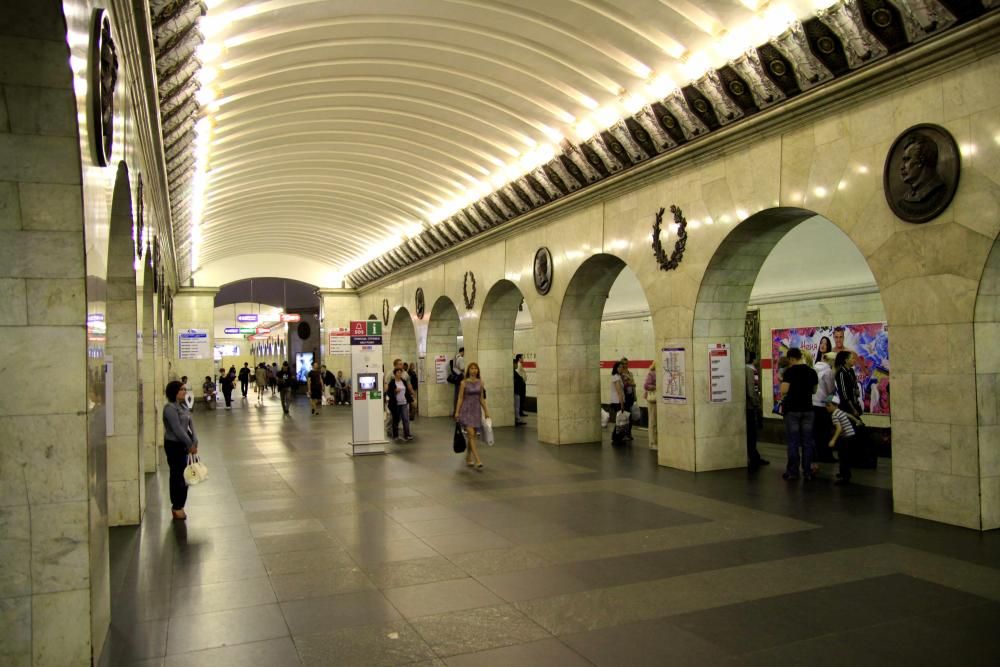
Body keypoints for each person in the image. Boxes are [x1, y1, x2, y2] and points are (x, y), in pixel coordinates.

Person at [780, 348, 818, 481]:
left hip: (793, 411)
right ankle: (807, 472)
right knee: (807, 442)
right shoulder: (812, 372)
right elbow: (814, 390)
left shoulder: (789, 372)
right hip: (808, 410)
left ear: (791, 358)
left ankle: (793, 472)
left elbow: (784, 390)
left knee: (793, 442)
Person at [162, 380, 198, 520]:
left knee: (186, 475)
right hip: (174, 445)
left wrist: (194, 440)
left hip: (184, 443)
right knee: (177, 476)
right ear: (174, 392)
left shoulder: (183, 406)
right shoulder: (169, 408)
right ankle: (176, 505)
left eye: (185, 389)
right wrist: (189, 444)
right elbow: (177, 429)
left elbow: (190, 424)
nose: (184, 391)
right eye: (181, 389)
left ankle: (181, 504)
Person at [455, 362, 489, 468]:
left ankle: (468, 457)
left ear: (478, 370)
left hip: (476, 411)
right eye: (471, 368)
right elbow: (460, 398)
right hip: (466, 410)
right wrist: (457, 411)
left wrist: (486, 411)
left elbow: (481, 398)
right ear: (468, 370)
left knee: (472, 435)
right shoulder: (463, 383)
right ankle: (478, 459)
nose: (474, 370)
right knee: (470, 433)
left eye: (475, 368)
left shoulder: (481, 382)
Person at [825, 395, 857, 485]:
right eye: (826, 405)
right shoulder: (839, 411)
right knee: (843, 455)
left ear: (835, 405)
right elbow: (849, 415)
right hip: (851, 436)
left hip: (846, 437)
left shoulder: (834, 415)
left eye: (828, 405)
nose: (826, 407)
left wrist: (833, 440)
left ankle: (845, 477)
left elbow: (839, 429)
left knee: (843, 457)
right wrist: (857, 421)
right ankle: (843, 473)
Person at [812, 351, 837, 465]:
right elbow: (830, 389)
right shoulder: (828, 372)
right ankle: (826, 455)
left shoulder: (814, 367)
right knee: (825, 431)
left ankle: (815, 454)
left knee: (815, 432)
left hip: (813, 403)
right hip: (823, 404)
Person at [744, 353, 768, 467]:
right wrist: (756, 404)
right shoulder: (749, 370)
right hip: (750, 407)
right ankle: (754, 457)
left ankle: (753, 455)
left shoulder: (746, 369)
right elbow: (751, 390)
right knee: (752, 433)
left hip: (747, 406)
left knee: (751, 433)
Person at [386, 367, 414, 441]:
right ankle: (396, 435)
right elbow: (388, 393)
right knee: (396, 419)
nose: (400, 373)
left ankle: (407, 434)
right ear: (395, 374)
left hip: (404, 403)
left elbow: (407, 392)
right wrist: (395, 391)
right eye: (398, 372)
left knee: (405, 419)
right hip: (396, 404)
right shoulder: (392, 382)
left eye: (400, 372)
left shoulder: (403, 381)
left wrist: (411, 400)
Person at [834, 351, 863, 418]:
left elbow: (855, 383)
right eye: (852, 358)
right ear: (846, 360)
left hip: (854, 403)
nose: (854, 360)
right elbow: (844, 393)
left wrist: (857, 389)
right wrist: (853, 409)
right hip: (847, 407)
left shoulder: (851, 371)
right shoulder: (841, 373)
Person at [609, 361, 631, 441]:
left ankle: (617, 437)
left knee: (619, 420)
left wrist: (625, 376)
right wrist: (622, 404)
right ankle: (615, 437)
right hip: (617, 401)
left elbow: (629, 380)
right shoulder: (616, 377)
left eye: (622, 367)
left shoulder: (618, 376)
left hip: (617, 400)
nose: (621, 368)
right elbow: (619, 391)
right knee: (619, 420)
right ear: (616, 368)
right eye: (619, 367)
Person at [644, 361, 658, 449]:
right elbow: (646, 385)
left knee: (657, 422)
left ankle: (657, 441)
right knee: (653, 421)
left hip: (658, 400)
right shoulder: (652, 373)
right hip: (653, 401)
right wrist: (656, 387)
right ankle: (652, 442)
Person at [513, 358, 527, 426]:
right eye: (515, 363)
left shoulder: (514, 372)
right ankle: (517, 419)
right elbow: (520, 379)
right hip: (516, 391)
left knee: (517, 406)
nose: (516, 365)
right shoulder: (513, 372)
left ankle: (517, 418)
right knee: (517, 406)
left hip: (517, 391)